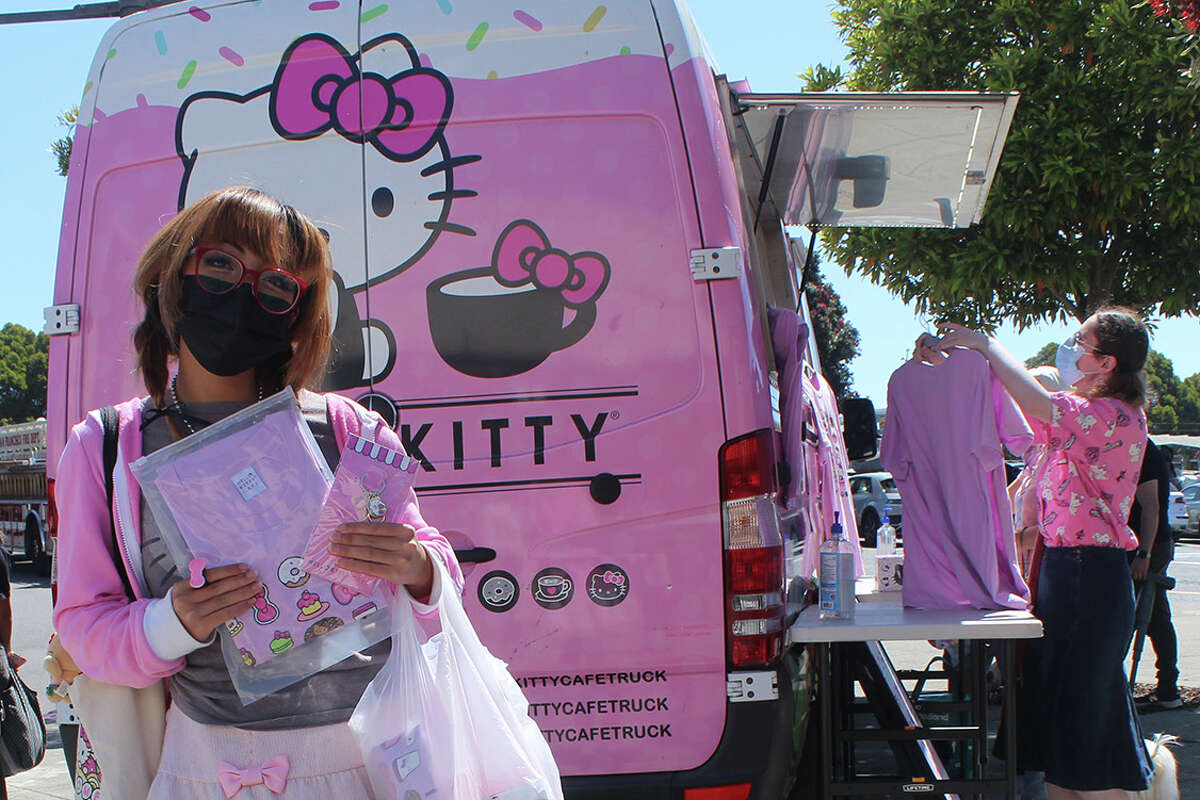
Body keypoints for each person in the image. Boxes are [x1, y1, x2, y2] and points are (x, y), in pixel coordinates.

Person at [52, 186, 463, 799]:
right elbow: (83, 624)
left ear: (297, 314)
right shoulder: (105, 447)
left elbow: (441, 583)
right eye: (220, 264)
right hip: (202, 765)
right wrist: (173, 624)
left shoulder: (352, 431)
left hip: (370, 765)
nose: (245, 293)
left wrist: (417, 566)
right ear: (174, 273)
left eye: (276, 286)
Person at [917, 307, 1153, 799]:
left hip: (1090, 576)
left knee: (1088, 726)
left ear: (1106, 362)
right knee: (1060, 726)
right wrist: (960, 361)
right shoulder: (1087, 413)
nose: (1072, 348)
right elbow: (1021, 402)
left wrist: (985, 345)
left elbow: (1037, 401)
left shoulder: (1111, 416)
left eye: (1081, 341)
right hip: (1067, 572)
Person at [1129, 438, 1180, 709]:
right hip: (1145, 543)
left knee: (1140, 614)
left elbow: (1152, 506)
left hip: (1149, 544)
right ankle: (1168, 689)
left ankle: (1168, 688)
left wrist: (1144, 554)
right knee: (1155, 616)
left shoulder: (1142, 448)